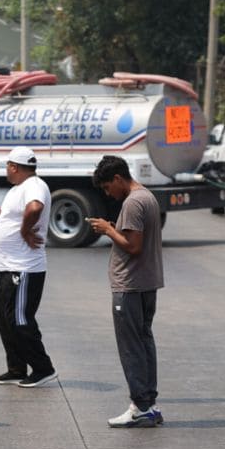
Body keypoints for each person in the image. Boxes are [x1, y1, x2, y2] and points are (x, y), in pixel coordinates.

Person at [88, 155, 165, 428]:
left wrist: (108, 229)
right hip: (145, 283)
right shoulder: (147, 196)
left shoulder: (133, 203)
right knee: (143, 342)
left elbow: (133, 246)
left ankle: (141, 406)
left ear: (118, 178)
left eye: (108, 187)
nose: (108, 193)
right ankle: (149, 404)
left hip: (130, 285)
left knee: (131, 347)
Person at [0, 146, 57, 388]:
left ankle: (43, 368)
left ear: (14, 167)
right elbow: (21, 213)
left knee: (19, 319)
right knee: (5, 320)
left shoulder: (35, 185)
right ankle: (16, 368)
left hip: (23, 266)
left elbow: (35, 208)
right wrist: (3, 216)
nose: (6, 169)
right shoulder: (19, 188)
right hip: (7, 265)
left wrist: (25, 231)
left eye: (7, 165)